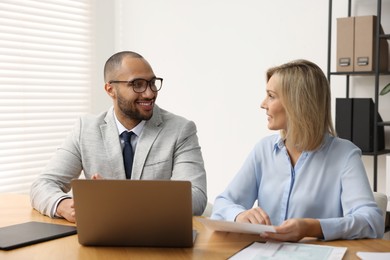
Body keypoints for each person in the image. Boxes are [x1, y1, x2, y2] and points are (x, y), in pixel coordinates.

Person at [211, 59, 384, 241]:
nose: (263, 104)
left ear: (297, 103)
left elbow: (372, 221)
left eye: (271, 96)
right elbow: (223, 204)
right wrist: (239, 215)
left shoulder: (345, 155)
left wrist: (313, 227)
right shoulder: (263, 150)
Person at [30, 51, 207, 222]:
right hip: (102, 238)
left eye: (152, 83)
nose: (150, 93)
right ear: (110, 89)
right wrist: (64, 205)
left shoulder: (181, 130)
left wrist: (118, 198)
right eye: (137, 84)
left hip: (156, 238)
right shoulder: (86, 129)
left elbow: (196, 198)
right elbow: (43, 184)